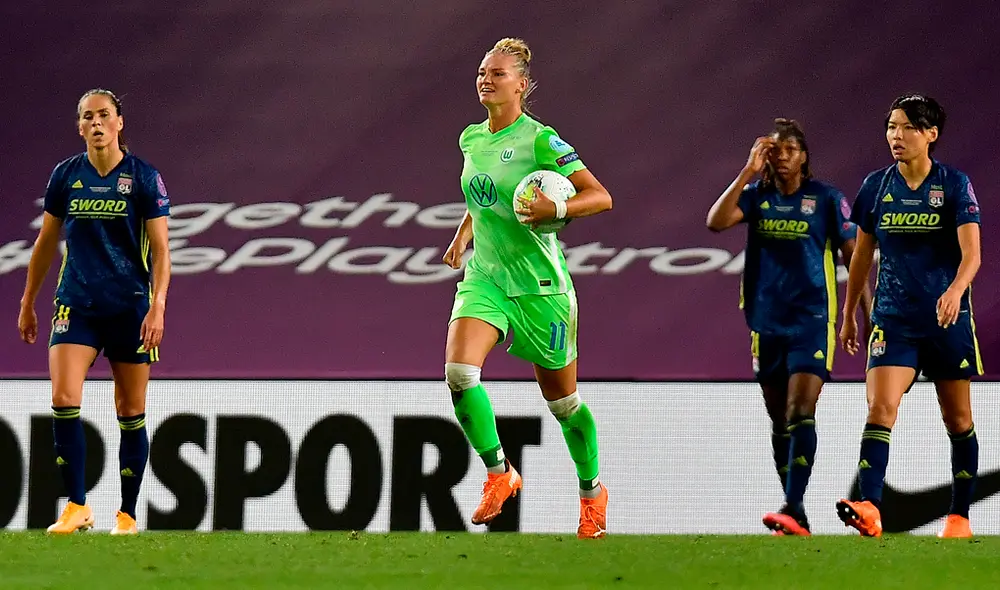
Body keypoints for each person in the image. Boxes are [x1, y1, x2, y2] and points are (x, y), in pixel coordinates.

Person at [442, 38, 614, 539]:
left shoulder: (542, 141)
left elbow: (600, 196)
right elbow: (482, 196)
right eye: (482, 72)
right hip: (487, 277)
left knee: (564, 405)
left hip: (540, 287)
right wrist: (463, 235)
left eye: (497, 74)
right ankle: (500, 473)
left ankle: (592, 493)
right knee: (459, 372)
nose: (486, 80)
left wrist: (555, 208)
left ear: (521, 84)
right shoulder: (471, 139)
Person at [17, 88, 171, 535]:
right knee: (64, 399)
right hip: (76, 303)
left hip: (129, 307)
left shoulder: (143, 177)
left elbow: (162, 251)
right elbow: (46, 242)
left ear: (119, 122)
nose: (96, 123)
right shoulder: (66, 175)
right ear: (80, 127)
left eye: (104, 115)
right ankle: (76, 506)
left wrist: (158, 306)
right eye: (88, 117)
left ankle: (127, 514)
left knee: (130, 409)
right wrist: (28, 301)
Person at [706, 119, 870, 536]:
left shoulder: (826, 199)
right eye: (774, 150)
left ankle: (792, 506)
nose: (781, 156)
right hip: (765, 322)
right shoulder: (756, 196)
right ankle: (797, 514)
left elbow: (854, 256)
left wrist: (861, 313)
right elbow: (716, 222)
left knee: (800, 409)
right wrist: (746, 171)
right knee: (780, 420)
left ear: (804, 157)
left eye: (790, 150)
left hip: (812, 320)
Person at [837, 94, 982, 538]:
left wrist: (954, 291)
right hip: (893, 319)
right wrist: (849, 313)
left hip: (945, 321)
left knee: (958, 420)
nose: (896, 136)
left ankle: (959, 517)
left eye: (907, 128)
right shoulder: (876, 186)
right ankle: (870, 507)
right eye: (891, 127)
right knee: (880, 407)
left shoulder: (953, 185)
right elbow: (862, 255)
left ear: (930, 134)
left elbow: (972, 255)